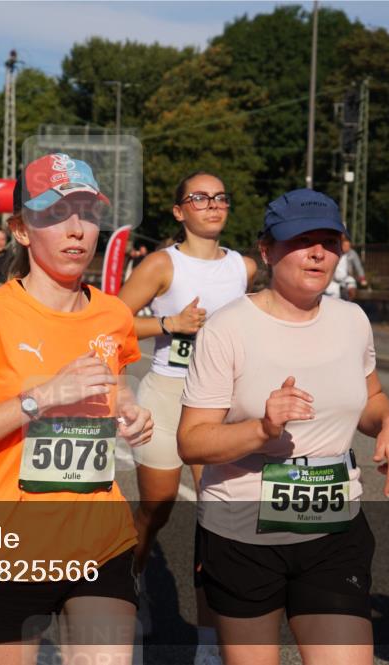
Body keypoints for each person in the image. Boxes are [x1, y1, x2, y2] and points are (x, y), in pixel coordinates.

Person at [178, 189, 389, 665]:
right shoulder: (227, 328)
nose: (317, 252)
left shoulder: (352, 320)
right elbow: (191, 441)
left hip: (333, 529)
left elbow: (370, 397)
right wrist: (262, 429)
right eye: (301, 240)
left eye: (329, 241)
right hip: (242, 533)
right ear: (267, 251)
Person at [0, 153, 153, 663]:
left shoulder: (113, 313)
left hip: (101, 539)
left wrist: (130, 406)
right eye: (55, 214)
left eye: (87, 213)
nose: (76, 230)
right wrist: (41, 397)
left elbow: (112, 385)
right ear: (22, 231)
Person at [117, 171, 256, 663]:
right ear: (180, 211)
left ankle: (208, 642)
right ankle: (133, 581)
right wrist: (167, 324)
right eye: (200, 198)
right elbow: (110, 322)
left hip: (219, 402)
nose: (213, 205)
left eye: (221, 197)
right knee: (157, 507)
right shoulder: (161, 265)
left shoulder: (245, 267)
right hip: (167, 393)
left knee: (215, 515)